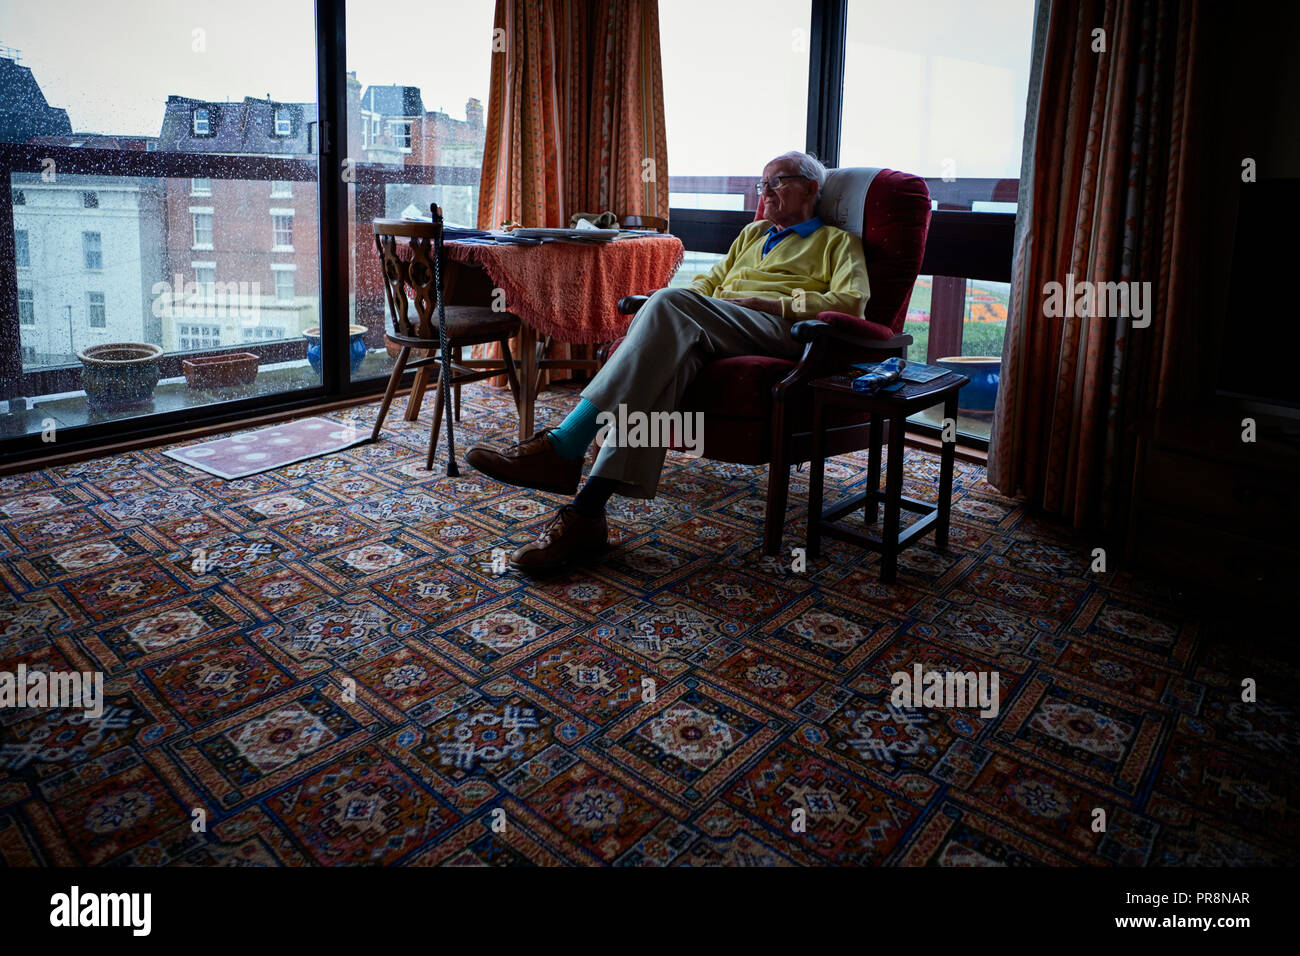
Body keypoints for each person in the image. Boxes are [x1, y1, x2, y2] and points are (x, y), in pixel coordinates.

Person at [466, 150, 871, 571]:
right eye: (761, 184)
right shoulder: (752, 236)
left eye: (777, 182)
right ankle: (587, 513)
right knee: (667, 363)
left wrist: (765, 303)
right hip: (717, 327)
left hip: (782, 332)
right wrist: (694, 302)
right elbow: (706, 283)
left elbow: (851, 301)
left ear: (810, 188)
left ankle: (566, 444)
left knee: (670, 303)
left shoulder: (837, 243)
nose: (764, 193)